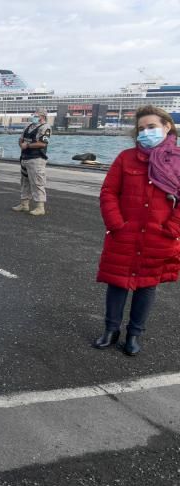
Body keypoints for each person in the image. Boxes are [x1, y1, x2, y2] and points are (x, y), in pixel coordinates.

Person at [92, 105, 180, 356]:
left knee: (147, 286)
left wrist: (172, 227)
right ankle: (111, 330)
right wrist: (116, 223)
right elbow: (109, 192)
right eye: (141, 129)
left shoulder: (178, 161)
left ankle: (134, 334)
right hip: (125, 233)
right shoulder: (126, 158)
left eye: (151, 127)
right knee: (117, 283)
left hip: (158, 235)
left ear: (167, 126)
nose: (145, 132)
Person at [13, 107, 51, 216]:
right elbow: (21, 139)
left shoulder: (45, 128)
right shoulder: (28, 126)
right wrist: (21, 145)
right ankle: (24, 204)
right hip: (25, 157)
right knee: (24, 181)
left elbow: (43, 143)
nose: (33, 117)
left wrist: (27, 145)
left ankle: (40, 207)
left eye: (36, 115)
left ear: (42, 116)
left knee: (37, 182)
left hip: (36, 158)